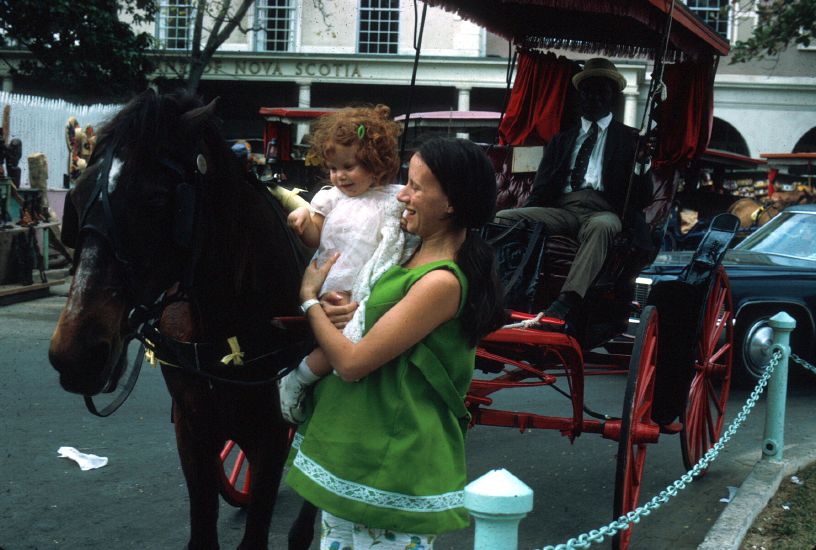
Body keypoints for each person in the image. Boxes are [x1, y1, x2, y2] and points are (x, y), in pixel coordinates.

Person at [285, 137, 505, 549]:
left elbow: (351, 363)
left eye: (418, 187)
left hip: (394, 459)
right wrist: (343, 308)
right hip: (358, 446)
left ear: (453, 203)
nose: (402, 194)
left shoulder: (441, 280)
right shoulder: (404, 251)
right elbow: (370, 317)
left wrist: (310, 299)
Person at [278, 105, 418, 423]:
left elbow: (400, 243)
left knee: (351, 339)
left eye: (349, 167)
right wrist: (302, 220)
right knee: (337, 343)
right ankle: (297, 379)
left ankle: (304, 378)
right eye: (333, 168)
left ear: (376, 164)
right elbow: (315, 237)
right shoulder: (332, 198)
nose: (339, 176)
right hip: (331, 282)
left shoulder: (393, 199)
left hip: (367, 285)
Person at [495, 57, 653, 324]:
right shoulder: (562, 139)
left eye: (600, 91)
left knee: (601, 227)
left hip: (604, 211)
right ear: (580, 95)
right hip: (563, 210)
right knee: (503, 219)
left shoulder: (630, 139)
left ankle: (566, 302)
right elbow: (542, 186)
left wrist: (642, 164)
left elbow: (642, 198)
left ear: (612, 96)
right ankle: (497, 292)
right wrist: (529, 215)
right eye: (588, 91)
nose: (593, 98)